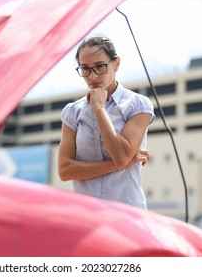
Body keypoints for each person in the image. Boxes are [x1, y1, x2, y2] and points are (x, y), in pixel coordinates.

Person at [58, 35, 155, 209]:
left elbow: (121, 156)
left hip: (126, 213)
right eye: (85, 69)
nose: (92, 76)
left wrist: (99, 109)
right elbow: (65, 171)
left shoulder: (137, 105)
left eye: (100, 67)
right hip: (86, 215)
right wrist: (119, 164)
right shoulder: (72, 111)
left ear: (116, 64)